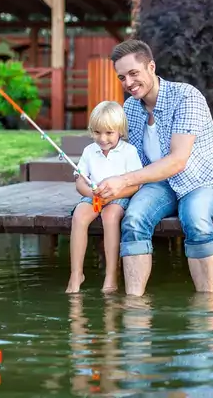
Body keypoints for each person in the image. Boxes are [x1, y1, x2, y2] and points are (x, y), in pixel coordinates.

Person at [94, 39, 213, 297]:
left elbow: (178, 160)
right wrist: (93, 175)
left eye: (134, 73)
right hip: (158, 185)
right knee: (133, 220)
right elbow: (123, 154)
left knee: (196, 220)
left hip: (199, 182)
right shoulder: (131, 108)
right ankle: (135, 309)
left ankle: (205, 305)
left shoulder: (186, 96)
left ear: (151, 67)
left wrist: (123, 180)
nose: (128, 83)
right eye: (122, 77)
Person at [66, 100, 143, 294]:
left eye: (109, 133)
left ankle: (111, 273)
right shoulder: (89, 151)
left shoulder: (129, 151)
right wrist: (91, 194)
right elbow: (80, 182)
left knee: (110, 217)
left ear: (120, 131)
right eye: (97, 132)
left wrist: (114, 194)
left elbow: (136, 184)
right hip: (94, 197)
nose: (102, 138)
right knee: (79, 217)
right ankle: (76, 274)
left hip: (118, 197)